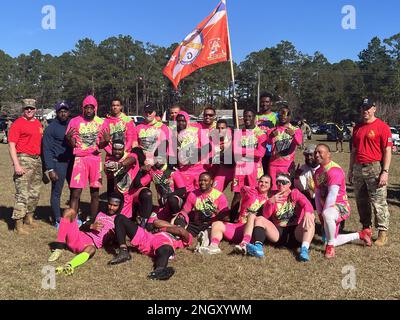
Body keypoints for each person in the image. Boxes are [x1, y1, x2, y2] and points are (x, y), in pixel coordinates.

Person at [315, 144, 371, 258]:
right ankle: (360, 234)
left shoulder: (334, 170)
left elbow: (332, 195)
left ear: (328, 154)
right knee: (332, 238)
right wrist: (319, 213)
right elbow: (317, 193)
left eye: (320, 152)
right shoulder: (318, 171)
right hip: (328, 207)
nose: (316, 155)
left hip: (341, 206)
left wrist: (324, 214)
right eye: (315, 152)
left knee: (328, 216)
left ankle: (330, 247)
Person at [348, 99, 392, 246]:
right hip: (358, 168)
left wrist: (385, 171)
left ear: (374, 109)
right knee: (361, 201)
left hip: (374, 168)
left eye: (368, 108)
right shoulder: (358, 128)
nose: (365, 111)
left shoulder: (382, 127)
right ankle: (366, 229)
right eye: (362, 108)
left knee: (378, 202)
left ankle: (382, 232)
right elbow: (353, 151)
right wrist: (350, 170)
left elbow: (387, 150)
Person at [47, 192, 123, 275]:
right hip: (78, 236)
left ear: (120, 206)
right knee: (69, 211)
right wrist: (91, 226)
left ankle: (70, 265)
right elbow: (82, 226)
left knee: (92, 249)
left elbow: (119, 241)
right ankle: (59, 247)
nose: (111, 207)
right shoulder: (100, 214)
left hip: (87, 245)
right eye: (110, 204)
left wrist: (112, 237)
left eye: (115, 206)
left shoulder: (119, 220)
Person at [245, 173, 315, 262]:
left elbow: (307, 204)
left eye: (284, 182)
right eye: (278, 182)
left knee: (311, 217)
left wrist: (308, 213)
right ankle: (258, 248)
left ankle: (304, 250)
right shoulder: (273, 196)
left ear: (289, 184)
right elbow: (266, 216)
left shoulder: (295, 193)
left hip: (296, 233)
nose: (280, 184)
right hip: (279, 234)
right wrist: (270, 202)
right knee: (260, 219)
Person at [198, 175, 271, 255]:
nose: (263, 184)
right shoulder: (250, 194)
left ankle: (244, 244)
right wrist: (251, 188)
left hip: (252, 232)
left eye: (266, 182)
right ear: (258, 182)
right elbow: (242, 189)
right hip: (238, 228)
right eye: (261, 181)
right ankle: (213, 246)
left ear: (270, 186)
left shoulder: (270, 201)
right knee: (217, 223)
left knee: (252, 216)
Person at [108, 214, 192, 280]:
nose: (180, 219)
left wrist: (165, 229)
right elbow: (156, 222)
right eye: (178, 217)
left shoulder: (186, 236)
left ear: (186, 225)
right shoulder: (167, 225)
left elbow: (182, 231)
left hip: (164, 244)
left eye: (182, 219)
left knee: (166, 248)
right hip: (146, 238)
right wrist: (171, 226)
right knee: (120, 218)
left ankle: (159, 270)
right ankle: (123, 251)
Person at [65, 95, 110, 220]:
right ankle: (72, 221)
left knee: (95, 193)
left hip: (95, 160)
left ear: (95, 108)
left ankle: (93, 220)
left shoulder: (102, 122)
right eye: (86, 108)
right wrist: (68, 139)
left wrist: (106, 142)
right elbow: (73, 144)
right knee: (76, 192)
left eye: (91, 108)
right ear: (83, 108)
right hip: (80, 160)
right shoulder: (75, 121)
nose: (88, 110)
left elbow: (100, 145)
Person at [8, 98, 43, 235]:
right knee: (22, 194)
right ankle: (18, 223)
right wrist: (17, 165)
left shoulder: (38, 123)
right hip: (23, 159)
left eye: (32, 108)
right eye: (26, 108)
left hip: (37, 160)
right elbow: (11, 145)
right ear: (23, 109)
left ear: (35, 109)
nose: (29, 110)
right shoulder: (18, 123)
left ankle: (29, 218)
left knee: (35, 192)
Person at [231, 108, 267, 221]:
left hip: (255, 168)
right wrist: (250, 150)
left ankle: (255, 219)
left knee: (255, 193)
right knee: (237, 194)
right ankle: (233, 220)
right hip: (240, 167)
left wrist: (243, 150)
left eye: (250, 116)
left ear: (255, 118)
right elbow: (234, 151)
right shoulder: (239, 133)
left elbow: (260, 153)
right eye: (245, 116)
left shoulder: (261, 134)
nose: (247, 119)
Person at [42, 101, 74, 228]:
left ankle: (72, 216)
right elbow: (46, 149)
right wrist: (50, 168)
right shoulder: (51, 128)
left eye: (65, 111)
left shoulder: (72, 124)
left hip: (72, 162)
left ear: (68, 112)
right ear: (57, 113)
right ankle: (57, 219)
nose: (63, 113)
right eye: (60, 111)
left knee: (74, 191)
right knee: (57, 192)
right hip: (58, 163)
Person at [173, 172, 230, 238]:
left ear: (211, 182)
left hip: (211, 224)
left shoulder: (219, 196)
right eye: (200, 180)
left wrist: (213, 209)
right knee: (183, 235)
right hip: (196, 224)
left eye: (205, 180)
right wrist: (180, 218)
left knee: (213, 231)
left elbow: (226, 218)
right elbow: (185, 210)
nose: (202, 182)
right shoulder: (193, 194)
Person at [103, 98, 137, 195]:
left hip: (124, 155)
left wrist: (123, 152)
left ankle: (124, 204)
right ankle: (110, 202)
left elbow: (130, 137)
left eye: (117, 105)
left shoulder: (127, 120)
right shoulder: (106, 121)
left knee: (124, 181)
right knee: (110, 179)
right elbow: (103, 138)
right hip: (110, 154)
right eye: (113, 105)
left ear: (121, 107)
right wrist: (111, 152)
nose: (115, 107)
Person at [268, 103, 302, 189]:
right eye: (281, 114)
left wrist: (293, 135)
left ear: (290, 116)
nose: (283, 116)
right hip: (273, 165)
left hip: (287, 166)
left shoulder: (296, 130)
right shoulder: (272, 130)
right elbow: (267, 144)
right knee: (273, 190)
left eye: (286, 114)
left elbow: (299, 143)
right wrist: (271, 136)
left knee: (287, 190)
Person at [175, 111, 210, 192]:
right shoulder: (173, 133)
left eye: (183, 121)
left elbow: (208, 146)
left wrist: (198, 153)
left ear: (187, 120)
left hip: (198, 167)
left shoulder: (196, 131)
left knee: (200, 192)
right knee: (187, 194)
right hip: (184, 169)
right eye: (178, 121)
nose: (181, 123)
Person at [210, 119, 235, 192]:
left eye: (222, 128)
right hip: (223, 170)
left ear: (227, 129)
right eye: (218, 128)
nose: (220, 130)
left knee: (238, 195)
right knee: (214, 192)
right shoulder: (213, 140)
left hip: (236, 170)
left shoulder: (233, 137)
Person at [256, 92, 278, 175]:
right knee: (259, 176)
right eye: (262, 102)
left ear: (271, 103)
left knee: (269, 176)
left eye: (267, 102)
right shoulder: (256, 116)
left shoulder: (276, 116)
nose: (264, 104)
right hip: (258, 150)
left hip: (270, 152)